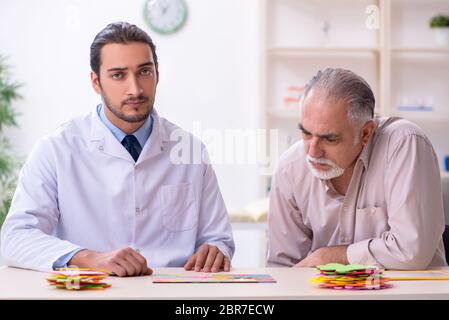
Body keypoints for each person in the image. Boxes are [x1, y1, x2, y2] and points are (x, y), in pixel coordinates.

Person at [1, 22, 234, 276]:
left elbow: (218, 238)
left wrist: (215, 249)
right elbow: (15, 238)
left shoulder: (190, 150)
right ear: (96, 82)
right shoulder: (56, 150)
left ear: (157, 73)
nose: (135, 89)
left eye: (144, 72)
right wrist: (89, 258)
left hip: (170, 293)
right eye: (118, 75)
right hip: (92, 291)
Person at [267, 68, 446, 269]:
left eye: (329, 138)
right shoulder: (290, 168)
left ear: (366, 133)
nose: (313, 152)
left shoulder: (404, 144)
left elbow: (412, 251)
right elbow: (282, 269)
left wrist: (333, 256)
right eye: (306, 133)